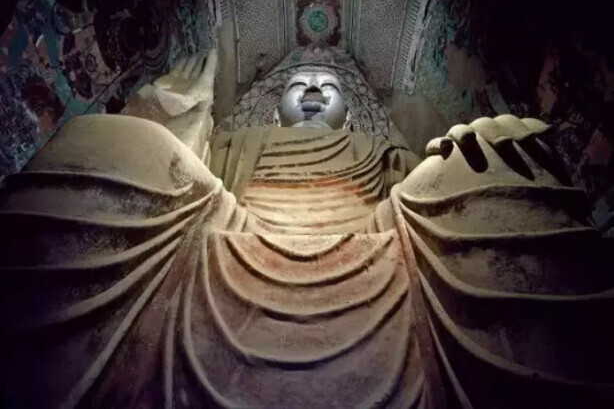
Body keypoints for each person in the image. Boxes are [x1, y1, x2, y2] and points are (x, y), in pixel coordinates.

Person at [0, 51, 612, 408]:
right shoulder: (243, 139)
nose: (315, 90)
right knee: (103, 139)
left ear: (350, 110)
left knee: (489, 159)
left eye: (327, 86)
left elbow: (416, 193)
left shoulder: (375, 147)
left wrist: (468, 145)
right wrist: (180, 108)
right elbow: (190, 175)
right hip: (229, 230)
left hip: (381, 240)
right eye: (300, 85)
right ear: (275, 106)